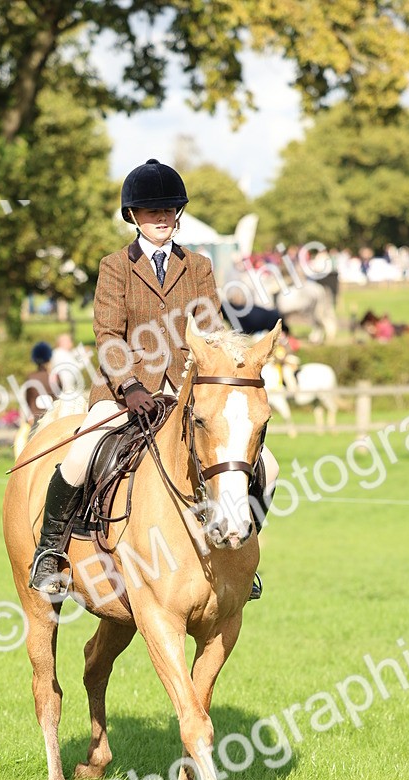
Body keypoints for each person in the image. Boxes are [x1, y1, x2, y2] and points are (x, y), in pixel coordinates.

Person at [28, 157, 280, 601]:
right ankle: (51, 553)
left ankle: (239, 556)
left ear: (177, 214)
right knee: (82, 451)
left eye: (167, 210)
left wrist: (213, 376)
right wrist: (130, 387)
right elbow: (107, 334)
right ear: (133, 217)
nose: (161, 218)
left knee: (268, 465)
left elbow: (211, 330)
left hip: (184, 393)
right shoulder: (114, 267)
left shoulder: (198, 266)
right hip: (125, 392)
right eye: (151, 211)